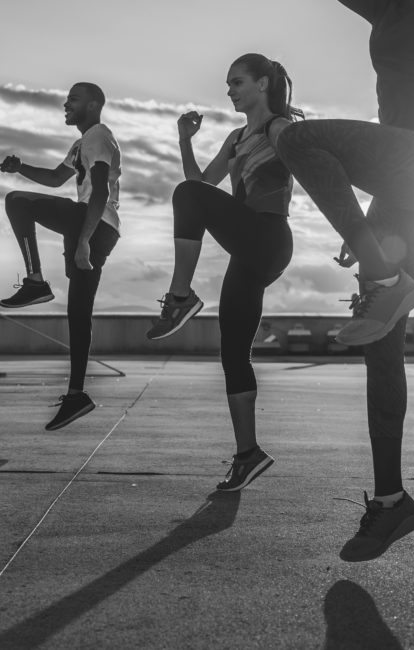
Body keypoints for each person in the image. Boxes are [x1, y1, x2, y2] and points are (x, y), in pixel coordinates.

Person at [267, 0, 414, 561]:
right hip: (404, 177)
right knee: (380, 340)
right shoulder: (386, 8)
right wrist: (363, 226)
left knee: (298, 140)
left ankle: (384, 272)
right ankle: (391, 500)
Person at [146, 53, 302, 491]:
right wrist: (184, 141)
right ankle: (247, 453)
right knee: (233, 352)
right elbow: (201, 185)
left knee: (187, 195)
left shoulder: (281, 129)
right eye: (228, 84)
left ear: (263, 85)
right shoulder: (236, 138)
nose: (230, 90)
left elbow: (319, 173)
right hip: (247, 249)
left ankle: (180, 298)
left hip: (268, 236)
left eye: (237, 82)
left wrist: (353, 232)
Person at [0, 82, 121, 431]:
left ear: (95, 104)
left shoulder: (98, 136)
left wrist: (83, 240)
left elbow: (98, 190)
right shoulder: (83, 142)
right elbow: (55, 179)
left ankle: (35, 281)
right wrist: (21, 166)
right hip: (97, 227)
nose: (66, 104)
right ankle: (76, 394)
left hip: (92, 223)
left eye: (74, 99)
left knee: (17, 202)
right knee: (79, 312)